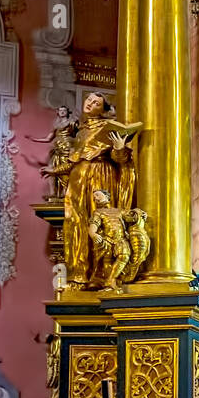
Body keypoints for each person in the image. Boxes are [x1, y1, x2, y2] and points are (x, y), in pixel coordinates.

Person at [61, 93, 141, 286]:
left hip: (99, 175)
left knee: (99, 220)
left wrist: (120, 148)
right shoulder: (80, 129)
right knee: (75, 221)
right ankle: (78, 273)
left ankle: (101, 275)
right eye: (89, 100)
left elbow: (119, 159)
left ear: (103, 110)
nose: (90, 103)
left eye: (96, 103)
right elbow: (75, 158)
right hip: (77, 179)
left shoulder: (106, 127)